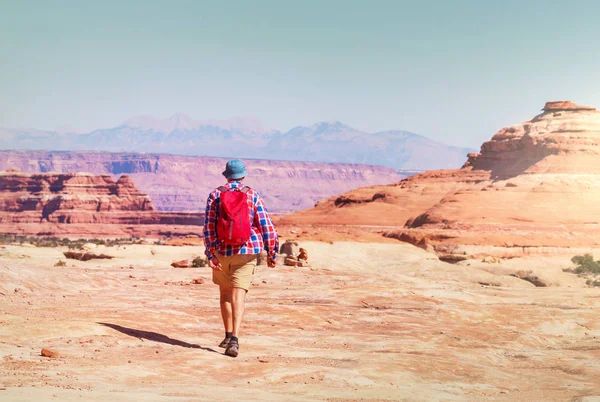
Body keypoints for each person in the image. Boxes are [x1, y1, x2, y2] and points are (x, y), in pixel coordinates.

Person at [203, 159, 279, 357]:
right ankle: (235, 339)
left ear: (226, 175)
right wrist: (272, 252)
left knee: (225, 294)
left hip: (222, 251)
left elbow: (209, 227)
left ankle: (227, 335)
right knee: (239, 295)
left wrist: (210, 253)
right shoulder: (251, 195)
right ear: (243, 175)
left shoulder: (215, 194)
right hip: (247, 252)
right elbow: (266, 225)